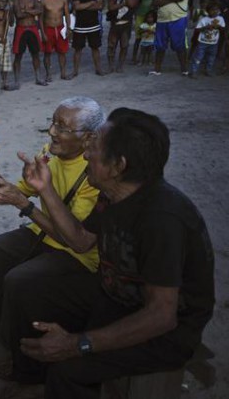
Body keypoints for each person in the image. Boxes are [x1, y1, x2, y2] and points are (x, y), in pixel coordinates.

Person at [15, 108, 214, 399]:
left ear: (118, 165)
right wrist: (44, 189)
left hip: (167, 332)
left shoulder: (162, 219)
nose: (85, 156)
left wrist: (77, 343)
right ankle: (34, 379)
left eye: (93, 150)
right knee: (30, 288)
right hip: (116, 295)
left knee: (68, 369)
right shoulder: (113, 195)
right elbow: (81, 240)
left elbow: (161, 316)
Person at [0, 97, 104, 391]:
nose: (53, 132)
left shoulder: (93, 172)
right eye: (53, 122)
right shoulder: (50, 153)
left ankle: (28, 368)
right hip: (43, 232)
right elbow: (24, 190)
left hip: (76, 254)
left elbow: (73, 238)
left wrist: (24, 205)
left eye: (64, 127)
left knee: (21, 281)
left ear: (89, 138)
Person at [149, 0, 194, 76]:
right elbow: (155, 2)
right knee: (160, 46)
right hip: (161, 20)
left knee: (180, 45)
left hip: (178, 18)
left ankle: (184, 69)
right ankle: (157, 70)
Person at [11, 0, 47, 87]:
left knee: (35, 54)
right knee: (18, 55)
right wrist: (32, 11)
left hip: (32, 28)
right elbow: (18, 14)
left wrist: (26, 10)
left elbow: (39, 10)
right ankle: (17, 80)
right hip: (21, 28)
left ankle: (38, 77)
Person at [71, 0, 106, 78]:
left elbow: (99, 6)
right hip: (79, 26)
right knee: (78, 49)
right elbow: (76, 7)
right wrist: (91, 3)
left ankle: (98, 69)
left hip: (94, 25)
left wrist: (83, 6)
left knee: (95, 48)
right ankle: (75, 71)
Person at [106, 0, 141, 73]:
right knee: (111, 45)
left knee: (124, 45)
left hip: (126, 23)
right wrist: (122, 4)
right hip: (115, 23)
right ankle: (110, 66)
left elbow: (132, 4)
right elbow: (110, 7)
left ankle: (120, 65)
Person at [42, 0, 72, 81]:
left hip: (60, 28)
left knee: (62, 52)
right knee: (47, 52)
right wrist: (42, 33)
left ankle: (63, 73)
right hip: (48, 28)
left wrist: (68, 28)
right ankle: (48, 74)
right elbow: (41, 18)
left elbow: (67, 14)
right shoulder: (44, 0)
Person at [190, 0, 225, 77]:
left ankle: (208, 70)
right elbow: (197, 29)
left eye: (217, 10)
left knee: (211, 58)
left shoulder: (221, 19)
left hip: (214, 43)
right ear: (208, 11)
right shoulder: (204, 19)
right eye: (212, 10)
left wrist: (219, 27)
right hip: (203, 42)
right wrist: (206, 27)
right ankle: (194, 71)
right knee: (198, 57)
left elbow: (223, 29)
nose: (215, 12)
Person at [131, 0, 157, 64]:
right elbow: (136, 3)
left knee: (151, 36)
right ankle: (134, 57)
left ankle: (149, 58)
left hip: (150, 17)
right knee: (138, 37)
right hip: (140, 16)